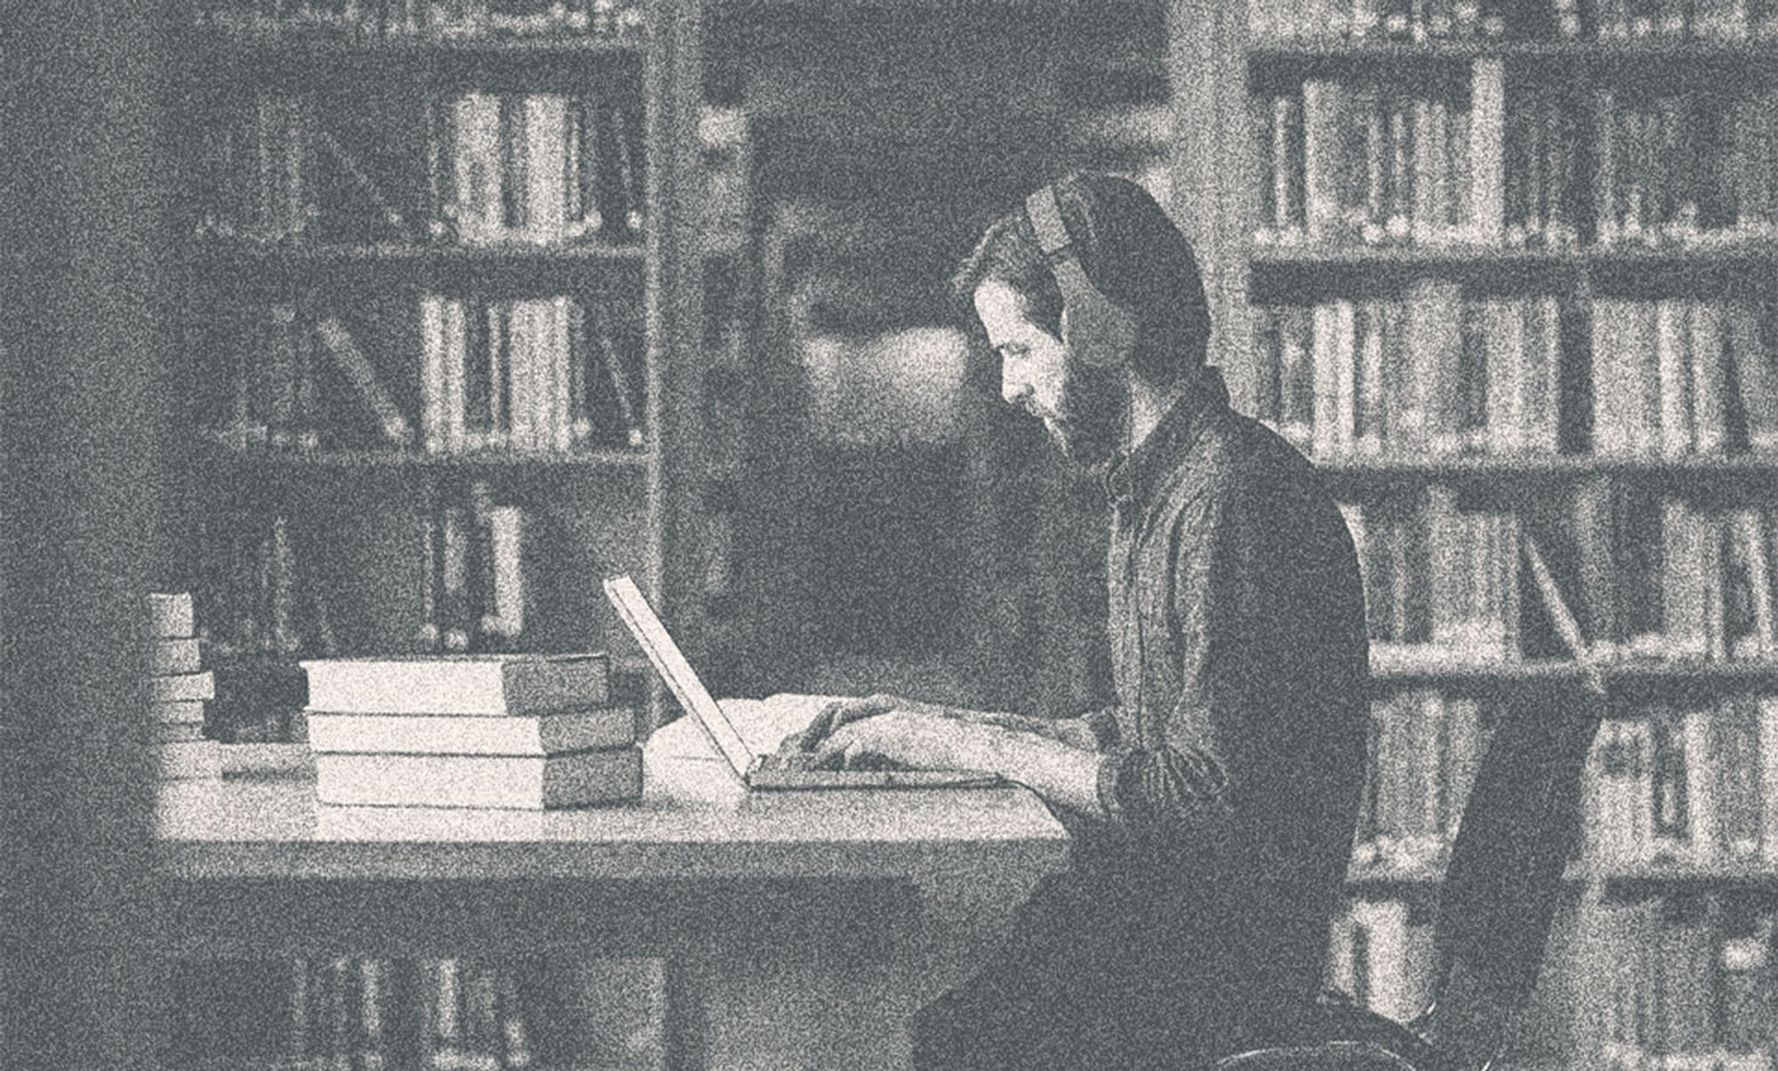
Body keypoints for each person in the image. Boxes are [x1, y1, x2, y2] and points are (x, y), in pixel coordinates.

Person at [780, 171, 1372, 1071]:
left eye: (1019, 350)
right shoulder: (1157, 488)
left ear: (1100, 331)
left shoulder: (1230, 497)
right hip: (1171, 919)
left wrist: (971, 749)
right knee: (959, 1015)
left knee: (958, 1038)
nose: (1010, 388)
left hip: (1217, 960)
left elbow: (1200, 795)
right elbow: (1144, 738)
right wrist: (939, 726)